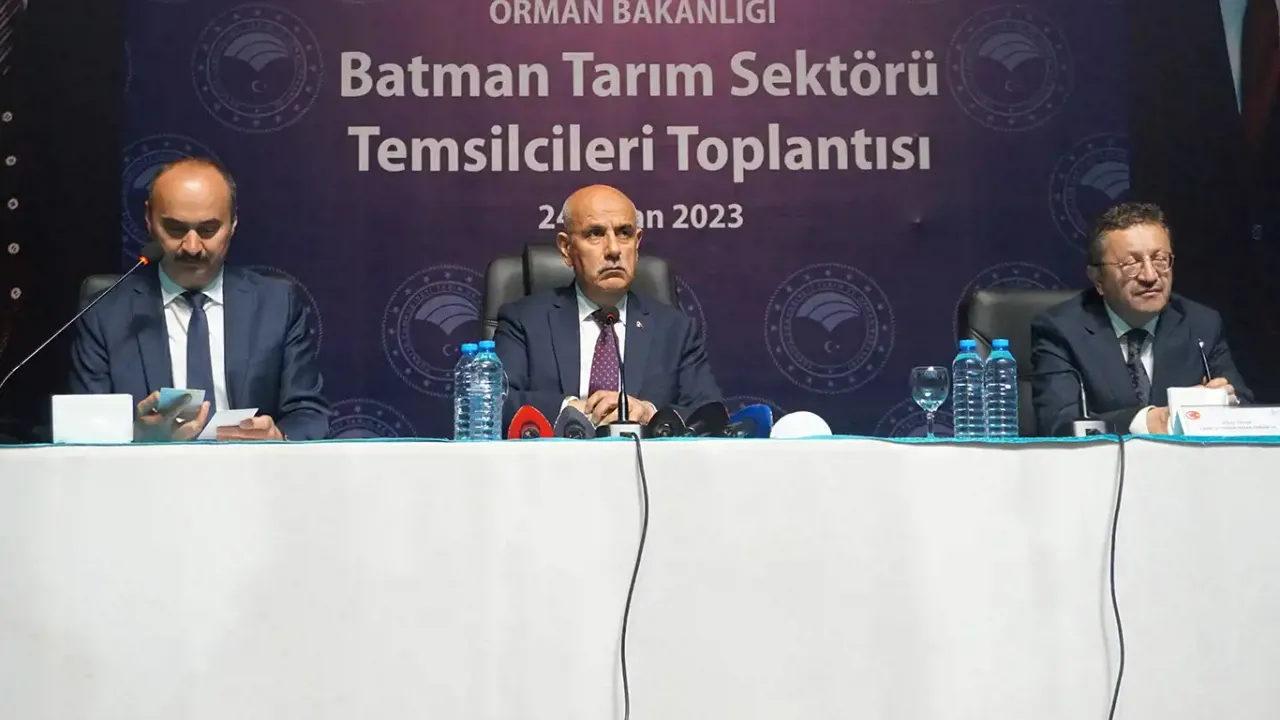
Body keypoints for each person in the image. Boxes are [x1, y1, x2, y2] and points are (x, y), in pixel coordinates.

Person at [69, 157, 330, 441]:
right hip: (149, 469)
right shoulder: (105, 313)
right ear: (149, 219)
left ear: (233, 222)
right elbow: (84, 431)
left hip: (249, 467)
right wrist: (139, 436)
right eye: (175, 229)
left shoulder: (276, 305)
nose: (192, 247)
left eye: (208, 230)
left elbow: (309, 414)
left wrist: (277, 436)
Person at [494, 184, 722, 428]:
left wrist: (650, 414)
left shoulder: (676, 330)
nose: (613, 249)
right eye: (595, 233)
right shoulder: (524, 321)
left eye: (624, 233)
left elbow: (710, 413)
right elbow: (495, 401)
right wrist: (571, 410)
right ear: (566, 248)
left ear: (637, 243)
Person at [1030, 202, 1253, 436]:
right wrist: (1147, 421)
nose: (1150, 276)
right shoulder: (1061, 330)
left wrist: (1227, 405)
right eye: (1131, 264)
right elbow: (1058, 424)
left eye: (1160, 259)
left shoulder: (1201, 324)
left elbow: (1244, 406)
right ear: (1098, 279)